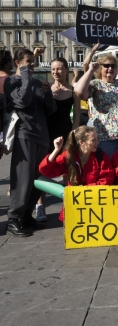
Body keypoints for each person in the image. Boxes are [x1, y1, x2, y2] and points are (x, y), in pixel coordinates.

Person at [5, 48, 55, 236]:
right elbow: (22, 101)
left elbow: (50, 109)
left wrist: (48, 93)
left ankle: (26, 215)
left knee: (38, 179)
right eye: (28, 61)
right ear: (17, 63)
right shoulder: (11, 82)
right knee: (23, 178)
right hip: (24, 134)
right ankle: (13, 218)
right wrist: (25, 74)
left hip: (41, 134)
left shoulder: (36, 82)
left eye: (33, 61)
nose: (32, 65)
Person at [36, 57, 81, 221]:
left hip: (66, 133)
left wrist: (73, 135)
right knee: (42, 168)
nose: (56, 72)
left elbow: (76, 117)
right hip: (46, 134)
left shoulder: (73, 92)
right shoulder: (45, 89)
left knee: (68, 170)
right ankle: (40, 206)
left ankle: (68, 205)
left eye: (59, 69)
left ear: (67, 70)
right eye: (53, 69)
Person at [39, 126, 115, 222]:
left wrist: (84, 190)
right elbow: (45, 171)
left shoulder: (100, 156)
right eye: (93, 140)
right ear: (81, 143)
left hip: (96, 204)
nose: (97, 142)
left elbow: (106, 180)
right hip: (75, 204)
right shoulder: (69, 156)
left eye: (97, 139)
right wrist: (56, 150)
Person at [75, 58, 118, 158]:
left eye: (113, 66)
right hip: (105, 139)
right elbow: (79, 91)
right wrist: (90, 70)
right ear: (100, 68)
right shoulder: (95, 84)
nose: (110, 68)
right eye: (106, 66)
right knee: (107, 171)